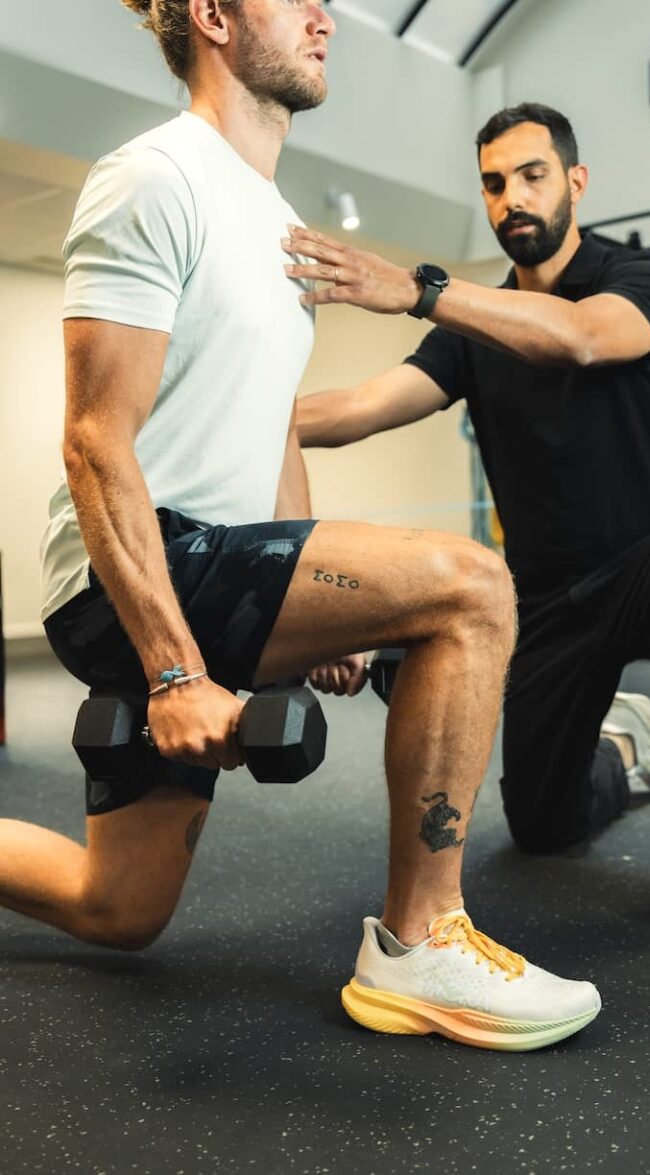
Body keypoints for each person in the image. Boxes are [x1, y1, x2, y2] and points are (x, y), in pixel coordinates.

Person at [0, 7, 602, 1052]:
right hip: (136, 571)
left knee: (118, 904)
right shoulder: (156, 177)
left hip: (216, 564)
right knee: (471, 584)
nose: (326, 14)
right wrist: (175, 670)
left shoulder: (279, 224)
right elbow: (96, 441)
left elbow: (273, 433)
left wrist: (328, 616)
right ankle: (420, 944)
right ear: (214, 15)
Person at [294, 102, 650, 959]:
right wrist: (232, 414)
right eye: (493, 183)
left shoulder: (639, 280)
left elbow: (580, 339)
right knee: (543, 825)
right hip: (549, 597)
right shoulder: (474, 329)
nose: (511, 197)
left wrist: (422, 292)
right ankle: (626, 747)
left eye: (532, 175)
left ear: (575, 181)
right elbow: (362, 406)